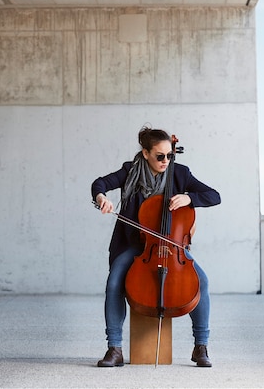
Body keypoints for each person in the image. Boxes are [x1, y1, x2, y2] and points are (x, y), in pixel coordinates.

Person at [91, 126, 221, 368]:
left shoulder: (180, 173)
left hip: (172, 248)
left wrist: (190, 198)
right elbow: (99, 183)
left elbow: (214, 195)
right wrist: (102, 198)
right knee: (114, 282)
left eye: (170, 155)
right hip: (135, 245)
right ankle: (114, 348)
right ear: (145, 153)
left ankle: (201, 346)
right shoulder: (129, 171)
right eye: (160, 156)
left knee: (201, 282)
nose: (166, 161)